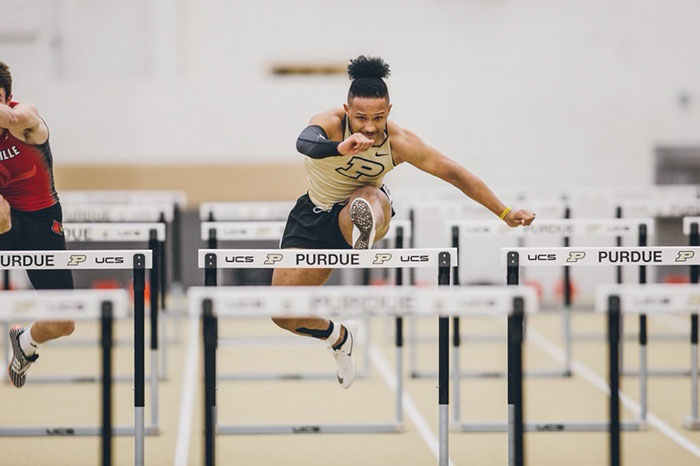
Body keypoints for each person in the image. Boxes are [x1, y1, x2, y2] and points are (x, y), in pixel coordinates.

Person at [271, 56, 536, 389]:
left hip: (367, 207)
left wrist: (503, 211)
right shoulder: (329, 123)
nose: (369, 126)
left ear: (390, 111)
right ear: (346, 109)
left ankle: (361, 231)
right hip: (313, 215)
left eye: (378, 118)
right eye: (361, 117)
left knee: (366, 197)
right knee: (282, 313)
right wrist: (340, 147)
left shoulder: (399, 142)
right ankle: (339, 336)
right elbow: (304, 143)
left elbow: (454, 172)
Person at [0, 61, 75, 388]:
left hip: (42, 224)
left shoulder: (25, 122)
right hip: (5, 223)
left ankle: (26, 344)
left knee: (64, 323)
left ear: (9, 97)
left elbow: (16, 117)